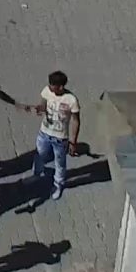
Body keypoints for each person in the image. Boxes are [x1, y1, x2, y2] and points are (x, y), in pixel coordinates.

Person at [29, 71, 81, 204]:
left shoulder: (71, 100)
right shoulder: (47, 91)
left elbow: (76, 121)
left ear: (61, 87)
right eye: (50, 84)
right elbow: (43, 104)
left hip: (60, 138)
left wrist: (73, 142)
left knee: (60, 163)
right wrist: (39, 108)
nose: (50, 87)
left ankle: (58, 184)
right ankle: (37, 174)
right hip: (44, 132)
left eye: (53, 85)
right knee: (40, 154)